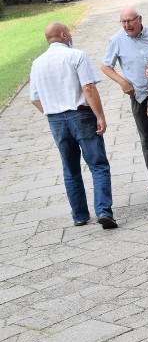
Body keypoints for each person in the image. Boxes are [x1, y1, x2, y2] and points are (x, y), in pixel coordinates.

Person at [30, 22, 117, 230]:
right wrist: (100, 116)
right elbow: (88, 88)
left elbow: (34, 98)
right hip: (81, 115)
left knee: (70, 168)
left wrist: (52, 111)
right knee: (98, 165)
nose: (70, 36)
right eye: (68, 33)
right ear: (63, 35)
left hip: (55, 119)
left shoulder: (37, 63)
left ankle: (79, 215)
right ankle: (103, 210)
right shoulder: (76, 55)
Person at [102, 6, 148, 198]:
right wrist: (123, 82)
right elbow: (106, 66)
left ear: (140, 19)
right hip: (139, 94)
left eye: (130, 20)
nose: (127, 25)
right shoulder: (116, 40)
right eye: (123, 22)